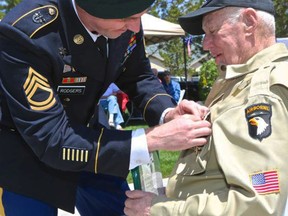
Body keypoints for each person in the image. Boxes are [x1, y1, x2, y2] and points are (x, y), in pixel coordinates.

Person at [0, 0, 212, 215]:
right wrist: (150, 140)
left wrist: (167, 113)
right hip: (29, 153)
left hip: (95, 143)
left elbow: (137, 74)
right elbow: (50, 138)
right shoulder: (27, 33)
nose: (136, 28)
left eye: (140, 16)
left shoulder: (125, 22)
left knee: (124, 210)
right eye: (127, 18)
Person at [124, 0, 288, 215]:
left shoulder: (261, 93)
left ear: (249, 22)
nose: (205, 44)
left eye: (213, 31)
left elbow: (258, 205)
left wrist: (159, 209)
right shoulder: (240, 81)